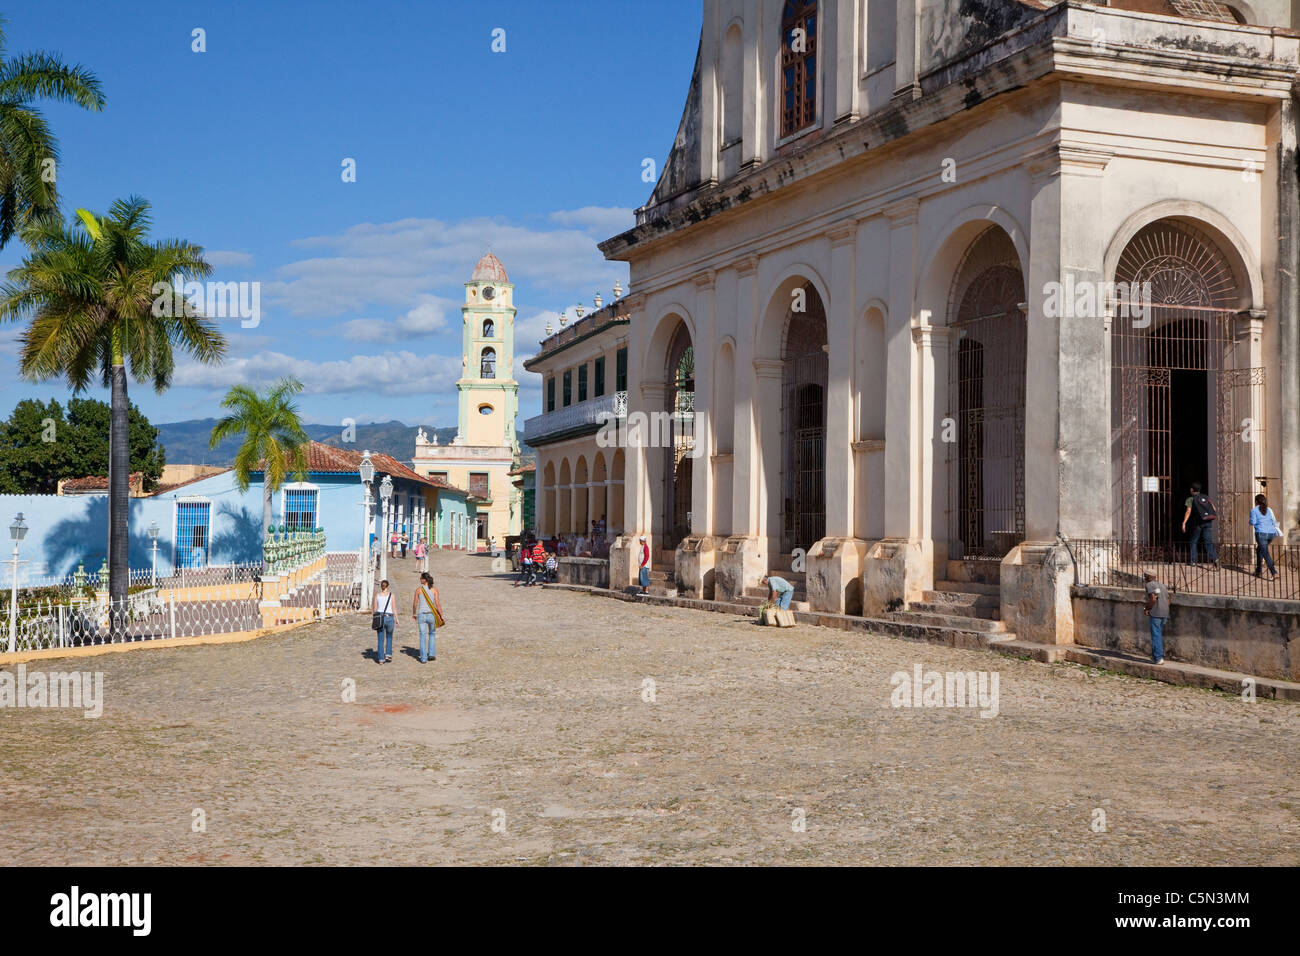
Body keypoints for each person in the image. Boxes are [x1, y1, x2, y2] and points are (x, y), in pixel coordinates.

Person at [1180, 481, 1219, 567]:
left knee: (1193, 541)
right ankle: (1215, 558)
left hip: (1198, 523)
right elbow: (1214, 509)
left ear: (1191, 489)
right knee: (1208, 542)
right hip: (1208, 522)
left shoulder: (1190, 499)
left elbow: (1188, 511)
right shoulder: (1206, 497)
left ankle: (1193, 561)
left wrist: (1184, 523)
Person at [411, 571, 444, 663]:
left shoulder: (418, 590)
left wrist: (414, 613)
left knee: (422, 636)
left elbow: (415, 604)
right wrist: (441, 615)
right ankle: (432, 654)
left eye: (421, 578)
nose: (420, 580)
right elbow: (437, 604)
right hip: (431, 615)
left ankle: (424, 658)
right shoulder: (434, 590)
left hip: (421, 614)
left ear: (424, 580)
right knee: (432, 634)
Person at [1250, 493, 1280, 579]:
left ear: (1256, 502)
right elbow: (1274, 521)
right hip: (1271, 534)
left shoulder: (1254, 510)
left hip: (1261, 534)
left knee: (1265, 553)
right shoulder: (1269, 510)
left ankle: (1274, 572)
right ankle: (1258, 571)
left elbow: (1252, 522)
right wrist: (1278, 531)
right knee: (1259, 549)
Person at [1143, 571, 1170, 665]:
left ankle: (1158, 658)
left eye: (1145, 576)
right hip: (1165, 613)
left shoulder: (1149, 585)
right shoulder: (1162, 585)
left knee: (1155, 635)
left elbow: (1153, 599)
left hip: (1156, 613)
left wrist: (1147, 608)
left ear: (1149, 577)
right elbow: (1169, 599)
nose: (1144, 578)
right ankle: (1156, 657)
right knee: (1158, 635)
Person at [374, 579, 396, 664]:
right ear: (388, 586)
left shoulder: (377, 595)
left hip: (380, 617)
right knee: (389, 636)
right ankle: (388, 655)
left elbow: (375, 609)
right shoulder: (391, 595)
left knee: (380, 639)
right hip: (389, 617)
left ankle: (381, 659)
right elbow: (394, 608)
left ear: (381, 586)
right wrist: (397, 618)